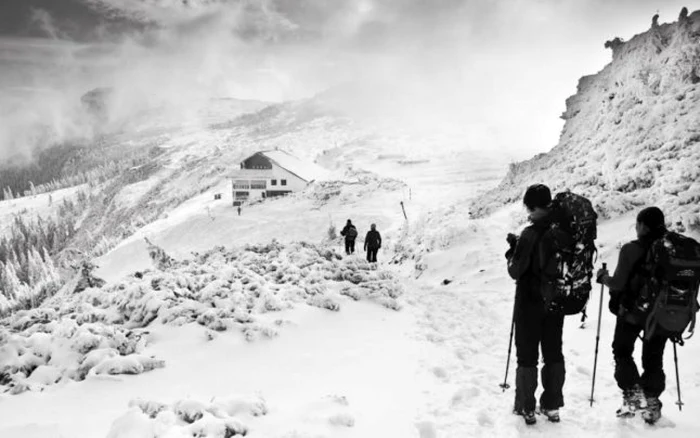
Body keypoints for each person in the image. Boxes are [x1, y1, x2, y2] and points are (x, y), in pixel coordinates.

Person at [596, 207, 668, 424]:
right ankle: (652, 403)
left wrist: (604, 278)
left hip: (633, 312)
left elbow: (618, 283)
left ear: (644, 226)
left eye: (637, 224)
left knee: (622, 350)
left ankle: (633, 394)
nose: (636, 228)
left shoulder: (631, 249)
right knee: (653, 359)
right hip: (663, 314)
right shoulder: (671, 248)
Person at [505, 184, 564, 425]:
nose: (527, 211)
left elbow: (516, 271)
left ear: (533, 206)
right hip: (556, 301)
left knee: (527, 355)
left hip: (530, 302)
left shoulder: (530, 234)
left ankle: (526, 407)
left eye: (528, 207)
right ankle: (551, 406)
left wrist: (512, 251)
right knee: (553, 352)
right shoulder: (562, 230)